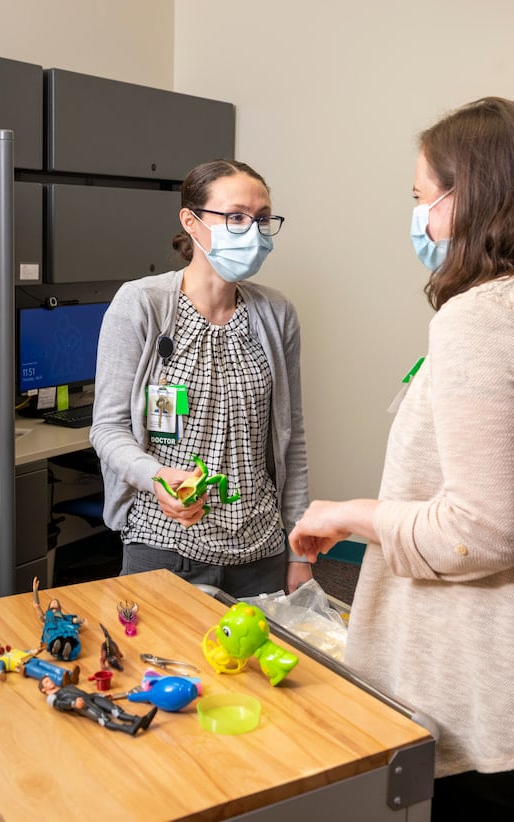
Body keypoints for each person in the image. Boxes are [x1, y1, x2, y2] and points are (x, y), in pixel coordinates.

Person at [289, 97, 514, 822]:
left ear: (469, 198)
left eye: (421, 197)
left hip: (475, 670)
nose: (418, 216)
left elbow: (481, 530)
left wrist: (350, 514)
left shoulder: (483, 318)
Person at [90, 159, 311, 598]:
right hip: (165, 542)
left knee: (256, 666)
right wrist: (155, 475)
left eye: (262, 219)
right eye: (235, 217)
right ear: (191, 222)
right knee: (160, 665)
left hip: (259, 547)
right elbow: (108, 429)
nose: (253, 230)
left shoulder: (276, 314)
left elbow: (292, 438)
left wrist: (299, 550)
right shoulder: (142, 305)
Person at [38, 675, 157, 735]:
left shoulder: (67, 687)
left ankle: (140, 721)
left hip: (90, 697)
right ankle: (128, 729)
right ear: (43, 689)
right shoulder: (52, 698)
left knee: (115, 709)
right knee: (103, 718)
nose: (51, 681)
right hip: (82, 705)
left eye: (49, 679)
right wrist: (73, 704)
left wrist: (102, 696)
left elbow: (85, 693)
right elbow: (60, 705)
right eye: (47, 681)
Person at [32, 577, 86, 661]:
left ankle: (66, 649)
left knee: (68, 636)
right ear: (48, 607)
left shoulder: (63, 617)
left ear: (60, 608)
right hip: (52, 626)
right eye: (52, 602)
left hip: (64, 625)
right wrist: (35, 591)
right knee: (54, 636)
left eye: (56, 602)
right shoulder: (47, 616)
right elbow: (36, 606)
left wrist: (82, 620)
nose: (54, 602)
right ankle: (55, 647)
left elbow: (72, 620)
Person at [0, 641, 80, 686]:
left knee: (51, 667)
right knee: (43, 673)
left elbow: (28, 651)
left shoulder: (14, 650)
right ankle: (61, 680)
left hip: (32, 659)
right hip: (25, 666)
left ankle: (71, 675)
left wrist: (38, 649)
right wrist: (0, 674)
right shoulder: (1, 661)